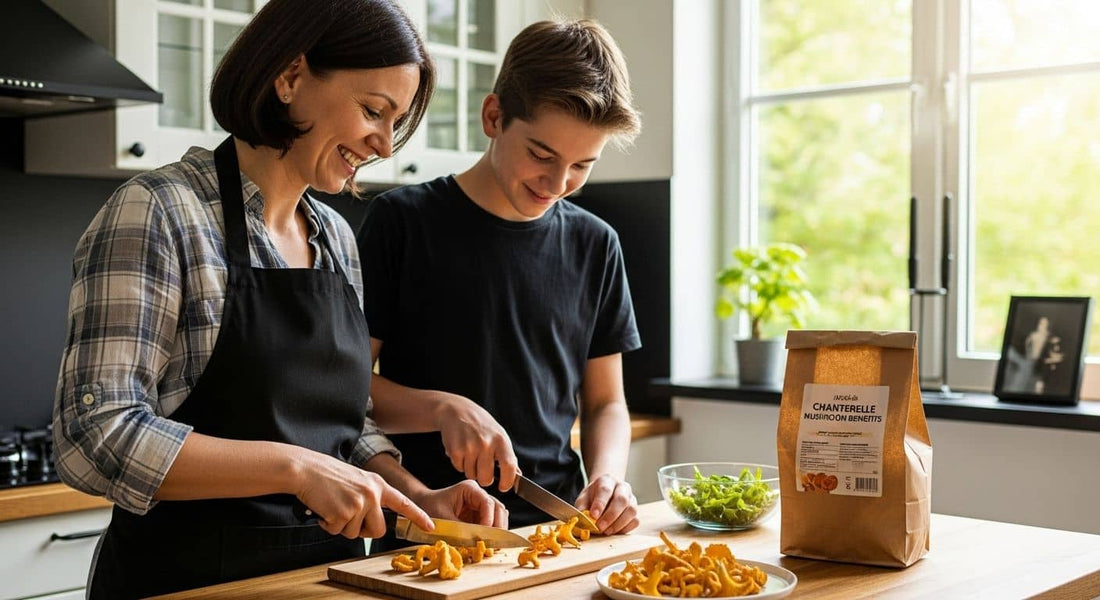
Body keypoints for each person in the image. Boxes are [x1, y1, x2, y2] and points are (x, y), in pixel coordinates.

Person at [52, 1, 504, 598]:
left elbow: (340, 424)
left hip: (325, 583)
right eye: (373, 111)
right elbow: (94, 434)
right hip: (186, 584)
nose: (385, 145)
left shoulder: (335, 238)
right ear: (290, 78)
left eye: (396, 122)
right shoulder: (161, 213)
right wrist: (294, 469)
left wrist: (416, 499)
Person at [358, 19, 643, 553]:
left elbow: (607, 402)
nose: (557, 184)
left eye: (582, 165)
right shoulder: (402, 222)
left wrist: (608, 478)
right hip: (435, 527)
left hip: (556, 531)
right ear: (493, 116)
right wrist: (444, 407)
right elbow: (348, 390)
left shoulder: (596, 243)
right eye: (541, 155)